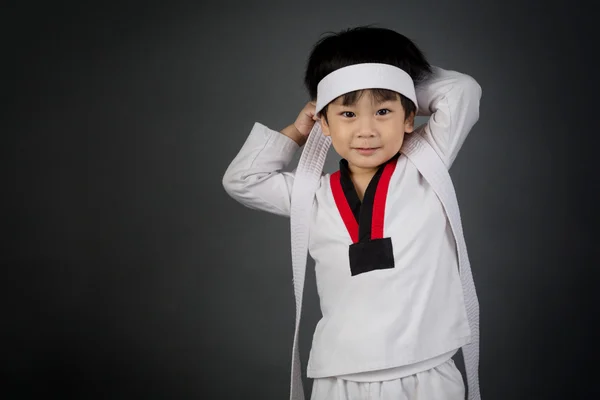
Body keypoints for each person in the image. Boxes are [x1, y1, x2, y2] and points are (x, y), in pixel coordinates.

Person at [222, 26, 482, 400]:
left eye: (383, 110)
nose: (366, 130)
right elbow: (243, 180)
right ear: (323, 124)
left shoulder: (425, 164)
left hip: (426, 369)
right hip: (340, 375)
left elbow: (463, 92)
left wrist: (386, 73)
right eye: (346, 112)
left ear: (409, 118)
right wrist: (297, 131)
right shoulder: (312, 195)